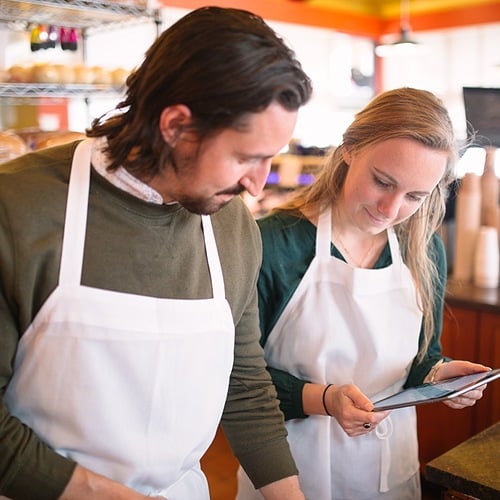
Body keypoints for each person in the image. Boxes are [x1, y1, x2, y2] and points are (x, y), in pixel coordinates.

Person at [0, 7, 312, 500]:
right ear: (176, 126)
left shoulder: (232, 226)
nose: (258, 183)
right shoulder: (18, 207)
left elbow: (244, 383)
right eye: (245, 156)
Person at [236, 87, 491, 500]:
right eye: (382, 182)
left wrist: (438, 376)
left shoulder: (423, 249)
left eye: (414, 196)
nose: (390, 209)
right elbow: (239, 381)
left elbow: (421, 357)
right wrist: (324, 399)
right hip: (290, 473)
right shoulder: (273, 244)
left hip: (389, 471)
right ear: (350, 148)